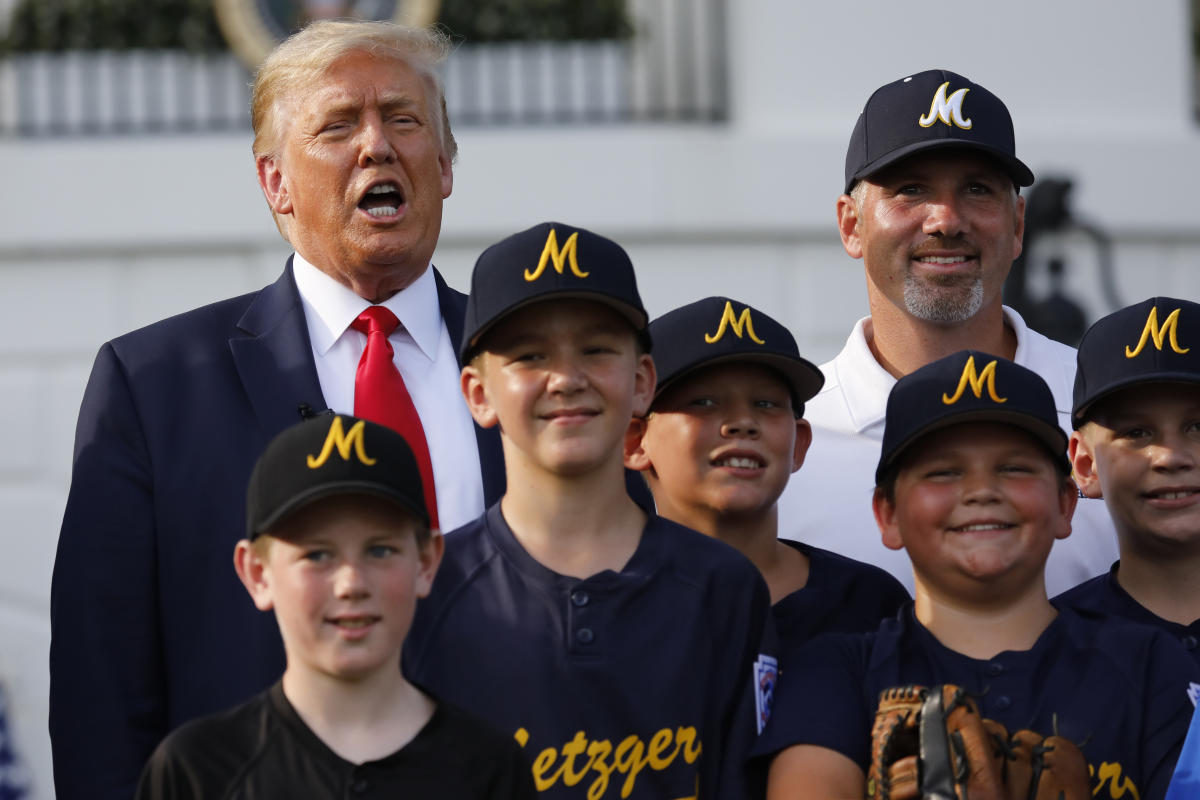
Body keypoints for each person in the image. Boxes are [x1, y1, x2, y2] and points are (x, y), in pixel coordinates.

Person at [50, 20, 505, 799]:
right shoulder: (154, 386)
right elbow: (102, 690)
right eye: (337, 125)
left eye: (404, 119)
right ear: (275, 182)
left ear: (447, 163)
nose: (377, 146)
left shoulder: (535, 374)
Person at [404, 223, 775, 799]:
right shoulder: (425, 593)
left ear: (642, 380)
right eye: (530, 356)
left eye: (597, 349)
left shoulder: (722, 588)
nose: (567, 379)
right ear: (478, 394)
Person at [758, 350, 1199, 800]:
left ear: (1065, 504)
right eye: (944, 472)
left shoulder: (1150, 664)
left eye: (1014, 468)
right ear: (888, 514)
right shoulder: (835, 671)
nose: (982, 491)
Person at [775, 68, 1116, 594]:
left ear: (1018, 224)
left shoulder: (1113, 421)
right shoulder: (785, 447)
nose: (946, 220)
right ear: (851, 225)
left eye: (977, 189)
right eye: (910, 190)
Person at [136, 413, 535, 798]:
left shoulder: (489, 769)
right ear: (258, 573)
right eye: (317, 555)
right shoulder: (197, 771)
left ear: (426, 562)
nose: (351, 584)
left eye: (380, 550)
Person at [626, 295, 908, 647]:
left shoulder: (871, 605)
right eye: (704, 402)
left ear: (799, 443)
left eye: (766, 404)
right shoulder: (599, 606)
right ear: (634, 441)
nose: (742, 423)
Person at [1056, 297, 1200, 664]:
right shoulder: (1044, 648)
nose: (1170, 456)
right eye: (1137, 432)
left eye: (1198, 427)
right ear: (1085, 465)